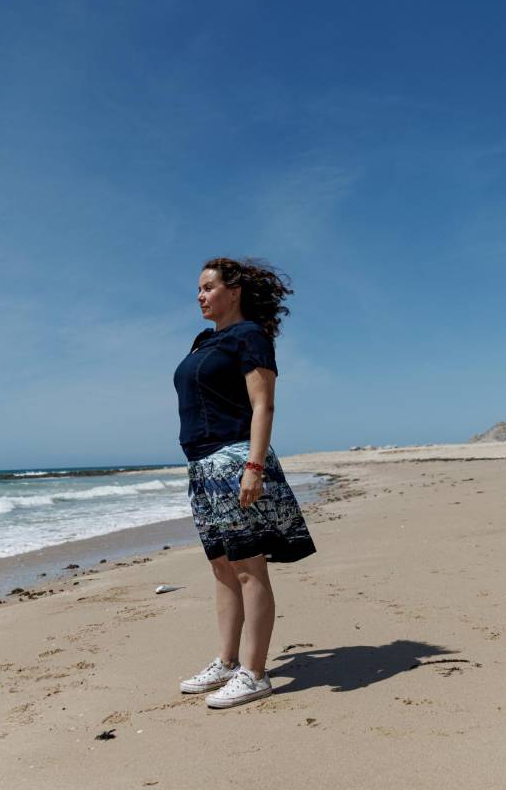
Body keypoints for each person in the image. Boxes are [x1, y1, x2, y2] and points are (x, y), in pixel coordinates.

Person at [172, 256, 316, 709]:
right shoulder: (202, 341)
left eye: (208, 287)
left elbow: (263, 405)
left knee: (250, 567)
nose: (200, 295)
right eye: (198, 288)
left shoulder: (250, 336)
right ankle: (228, 661)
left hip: (235, 461)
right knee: (222, 566)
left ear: (233, 291)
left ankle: (255, 673)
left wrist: (253, 467)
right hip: (201, 465)